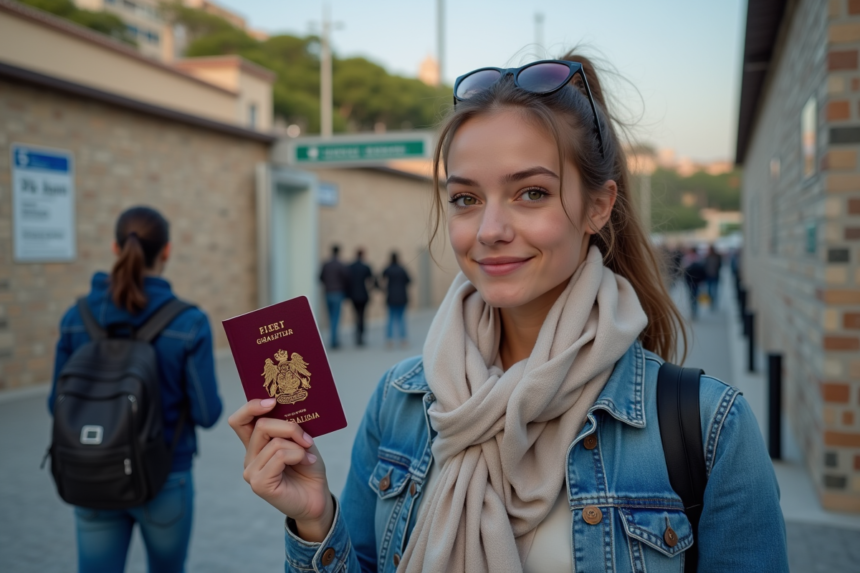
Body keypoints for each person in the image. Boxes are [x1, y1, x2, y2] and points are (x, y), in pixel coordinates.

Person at [229, 53, 788, 572]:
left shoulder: (710, 427)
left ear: (598, 206)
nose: (491, 231)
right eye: (466, 199)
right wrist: (313, 519)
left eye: (532, 194)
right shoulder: (398, 401)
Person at [50, 206, 223, 573]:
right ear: (167, 251)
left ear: (115, 248)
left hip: (92, 472)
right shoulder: (188, 321)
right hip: (166, 476)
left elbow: (56, 405)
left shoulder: (76, 317)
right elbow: (208, 415)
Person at [319, 245, 350, 349]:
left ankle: (332, 339)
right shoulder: (340, 265)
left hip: (328, 292)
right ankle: (334, 340)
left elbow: (320, 278)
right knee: (336, 317)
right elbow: (346, 279)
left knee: (330, 316)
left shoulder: (326, 264)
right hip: (338, 292)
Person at [346, 248, 376, 347]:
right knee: (362, 316)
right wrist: (370, 289)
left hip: (353, 295)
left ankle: (357, 335)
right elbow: (372, 280)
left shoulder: (351, 266)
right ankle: (361, 336)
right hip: (363, 295)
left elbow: (347, 280)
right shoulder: (365, 266)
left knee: (356, 315)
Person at [381, 251, 411, 348]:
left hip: (391, 297)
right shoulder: (402, 269)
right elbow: (409, 280)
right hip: (402, 297)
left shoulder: (388, 269)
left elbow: (380, 278)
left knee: (390, 319)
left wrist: (384, 288)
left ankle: (390, 341)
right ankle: (403, 340)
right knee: (401, 318)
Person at [683, 247, 707, 319]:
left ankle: (694, 310)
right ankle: (694, 310)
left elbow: (684, 271)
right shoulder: (697, 259)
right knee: (694, 296)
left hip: (692, 281)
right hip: (694, 281)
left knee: (692, 296)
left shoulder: (688, 259)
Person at [703, 245, 723, 310]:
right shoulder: (707, 257)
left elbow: (720, 265)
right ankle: (710, 302)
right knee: (709, 290)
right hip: (708, 276)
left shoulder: (717, 257)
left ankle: (714, 302)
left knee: (715, 290)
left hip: (715, 276)